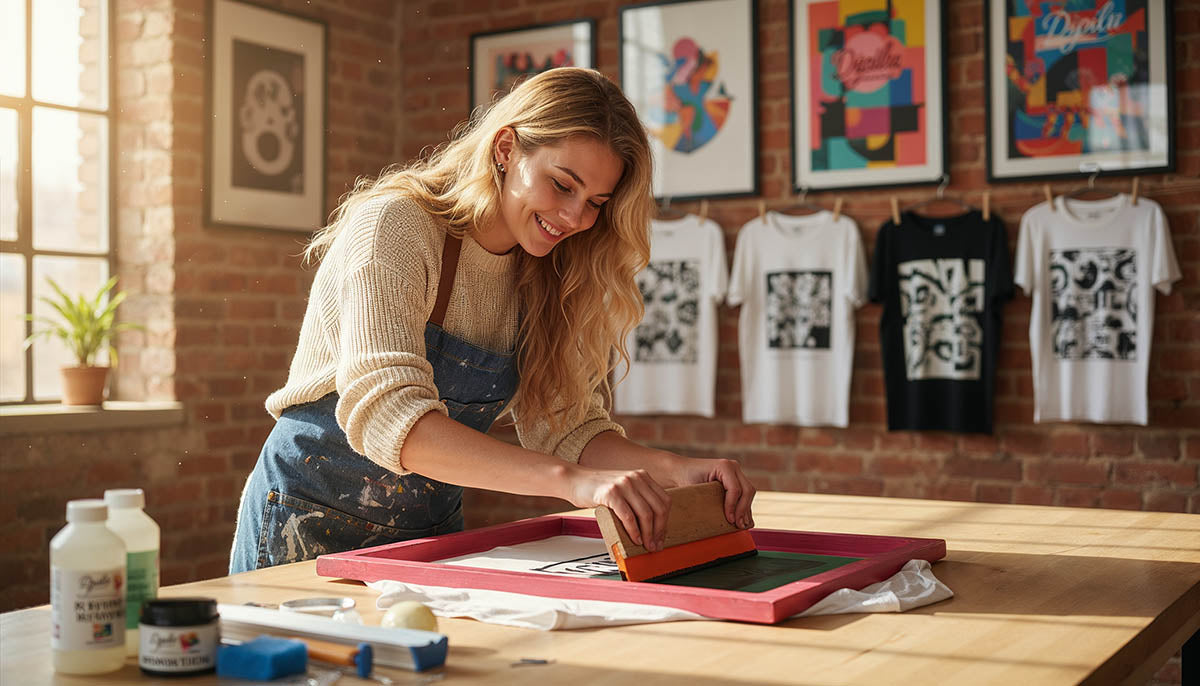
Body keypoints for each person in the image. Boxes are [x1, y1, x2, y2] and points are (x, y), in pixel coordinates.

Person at [230, 68, 756, 573]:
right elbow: (392, 417)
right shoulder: (396, 226)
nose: (575, 219)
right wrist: (573, 483)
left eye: (596, 201)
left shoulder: (549, 272)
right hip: (303, 522)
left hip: (428, 533)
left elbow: (567, 426)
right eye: (562, 185)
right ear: (506, 149)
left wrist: (675, 472)